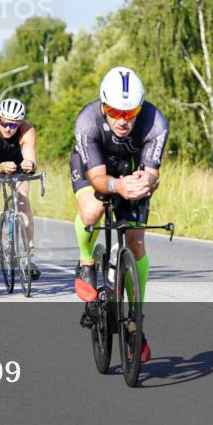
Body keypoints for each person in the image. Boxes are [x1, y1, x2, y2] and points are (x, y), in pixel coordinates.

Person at [70, 67, 169, 363]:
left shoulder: (155, 122)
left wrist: (144, 183)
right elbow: (99, 178)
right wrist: (115, 186)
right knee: (92, 212)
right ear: (103, 106)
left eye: (130, 111)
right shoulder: (87, 122)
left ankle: (136, 318)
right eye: (114, 111)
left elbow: (152, 172)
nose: (122, 120)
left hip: (131, 170)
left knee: (136, 243)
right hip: (95, 168)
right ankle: (87, 261)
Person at [0, 98, 41, 280]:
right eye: (5, 123)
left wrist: (30, 165)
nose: (9, 129)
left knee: (23, 200)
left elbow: (30, 158)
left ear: (20, 124)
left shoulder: (27, 131)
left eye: (14, 126)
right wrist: (1, 167)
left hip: (15, 161)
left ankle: (30, 258)